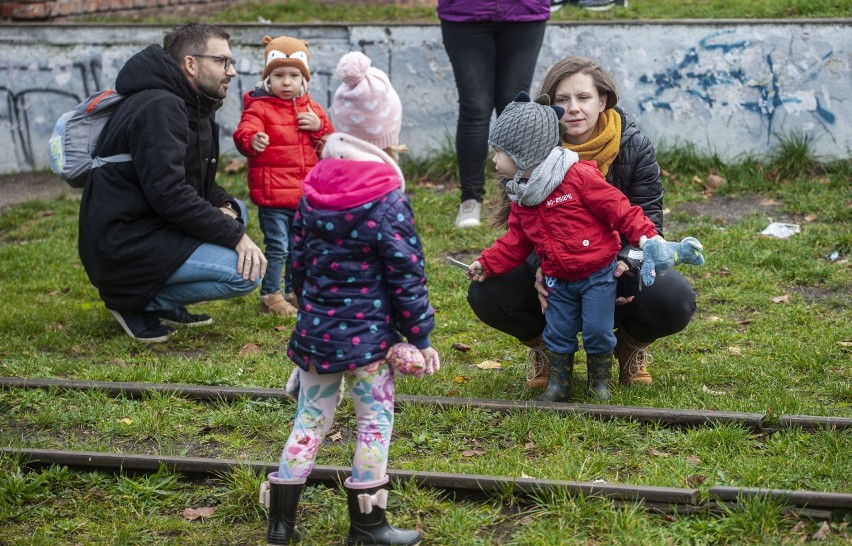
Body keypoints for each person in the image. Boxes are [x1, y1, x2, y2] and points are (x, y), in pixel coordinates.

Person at [259, 51, 439, 546]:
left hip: (316, 334)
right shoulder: (386, 198)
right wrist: (419, 335)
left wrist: (306, 309)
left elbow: (298, 261)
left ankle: (281, 527)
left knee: (310, 419)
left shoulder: (313, 187)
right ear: (386, 137)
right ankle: (368, 527)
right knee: (373, 422)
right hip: (368, 342)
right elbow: (407, 276)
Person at [467, 56, 697, 390]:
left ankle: (629, 346)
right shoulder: (527, 144)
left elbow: (648, 219)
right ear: (550, 106)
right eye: (562, 99)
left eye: (584, 98)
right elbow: (522, 230)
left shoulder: (633, 146)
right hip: (555, 264)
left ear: (602, 100)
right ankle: (545, 348)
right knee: (487, 290)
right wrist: (541, 265)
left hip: (613, 260)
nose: (573, 108)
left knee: (675, 299)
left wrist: (627, 263)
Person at [78, 23, 267, 343]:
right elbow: (169, 193)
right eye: (222, 61)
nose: (231, 71)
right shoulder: (160, 107)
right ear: (191, 64)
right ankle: (136, 302)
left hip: (153, 224)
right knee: (246, 274)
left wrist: (225, 206)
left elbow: (192, 179)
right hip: (125, 242)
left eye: (231, 62)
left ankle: (160, 298)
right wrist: (235, 237)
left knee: (240, 211)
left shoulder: (193, 102)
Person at [233, 35, 335, 316]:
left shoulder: (313, 109)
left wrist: (318, 128)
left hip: (305, 195)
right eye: (279, 75)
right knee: (278, 246)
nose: (286, 82)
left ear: (304, 79)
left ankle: (294, 290)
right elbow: (244, 131)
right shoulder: (260, 107)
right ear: (268, 77)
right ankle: (270, 294)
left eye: (293, 75)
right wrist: (252, 139)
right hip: (273, 195)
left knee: (300, 246)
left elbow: (330, 146)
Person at [437, 0, 550, 229]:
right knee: (474, 107)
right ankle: (470, 199)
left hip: (525, 12)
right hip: (464, 13)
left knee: (515, 107)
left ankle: (515, 198)